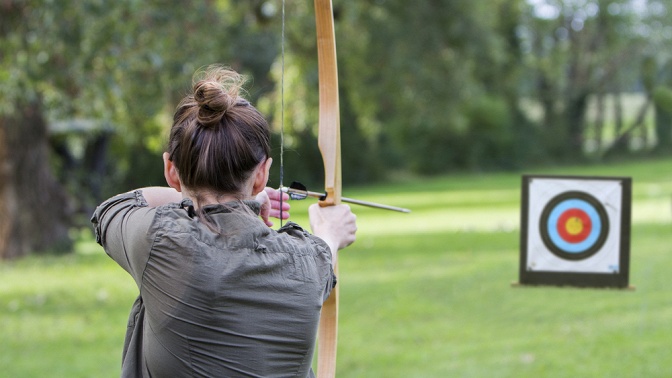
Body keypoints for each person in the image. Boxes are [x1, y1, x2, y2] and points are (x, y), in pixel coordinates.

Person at [91, 65, 357, 377]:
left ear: (170, 170)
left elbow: (112, 209)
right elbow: (324, 249)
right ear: (261, 174)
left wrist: (203, 197)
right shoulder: (309, 260)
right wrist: (331, 232)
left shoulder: (159, 240)